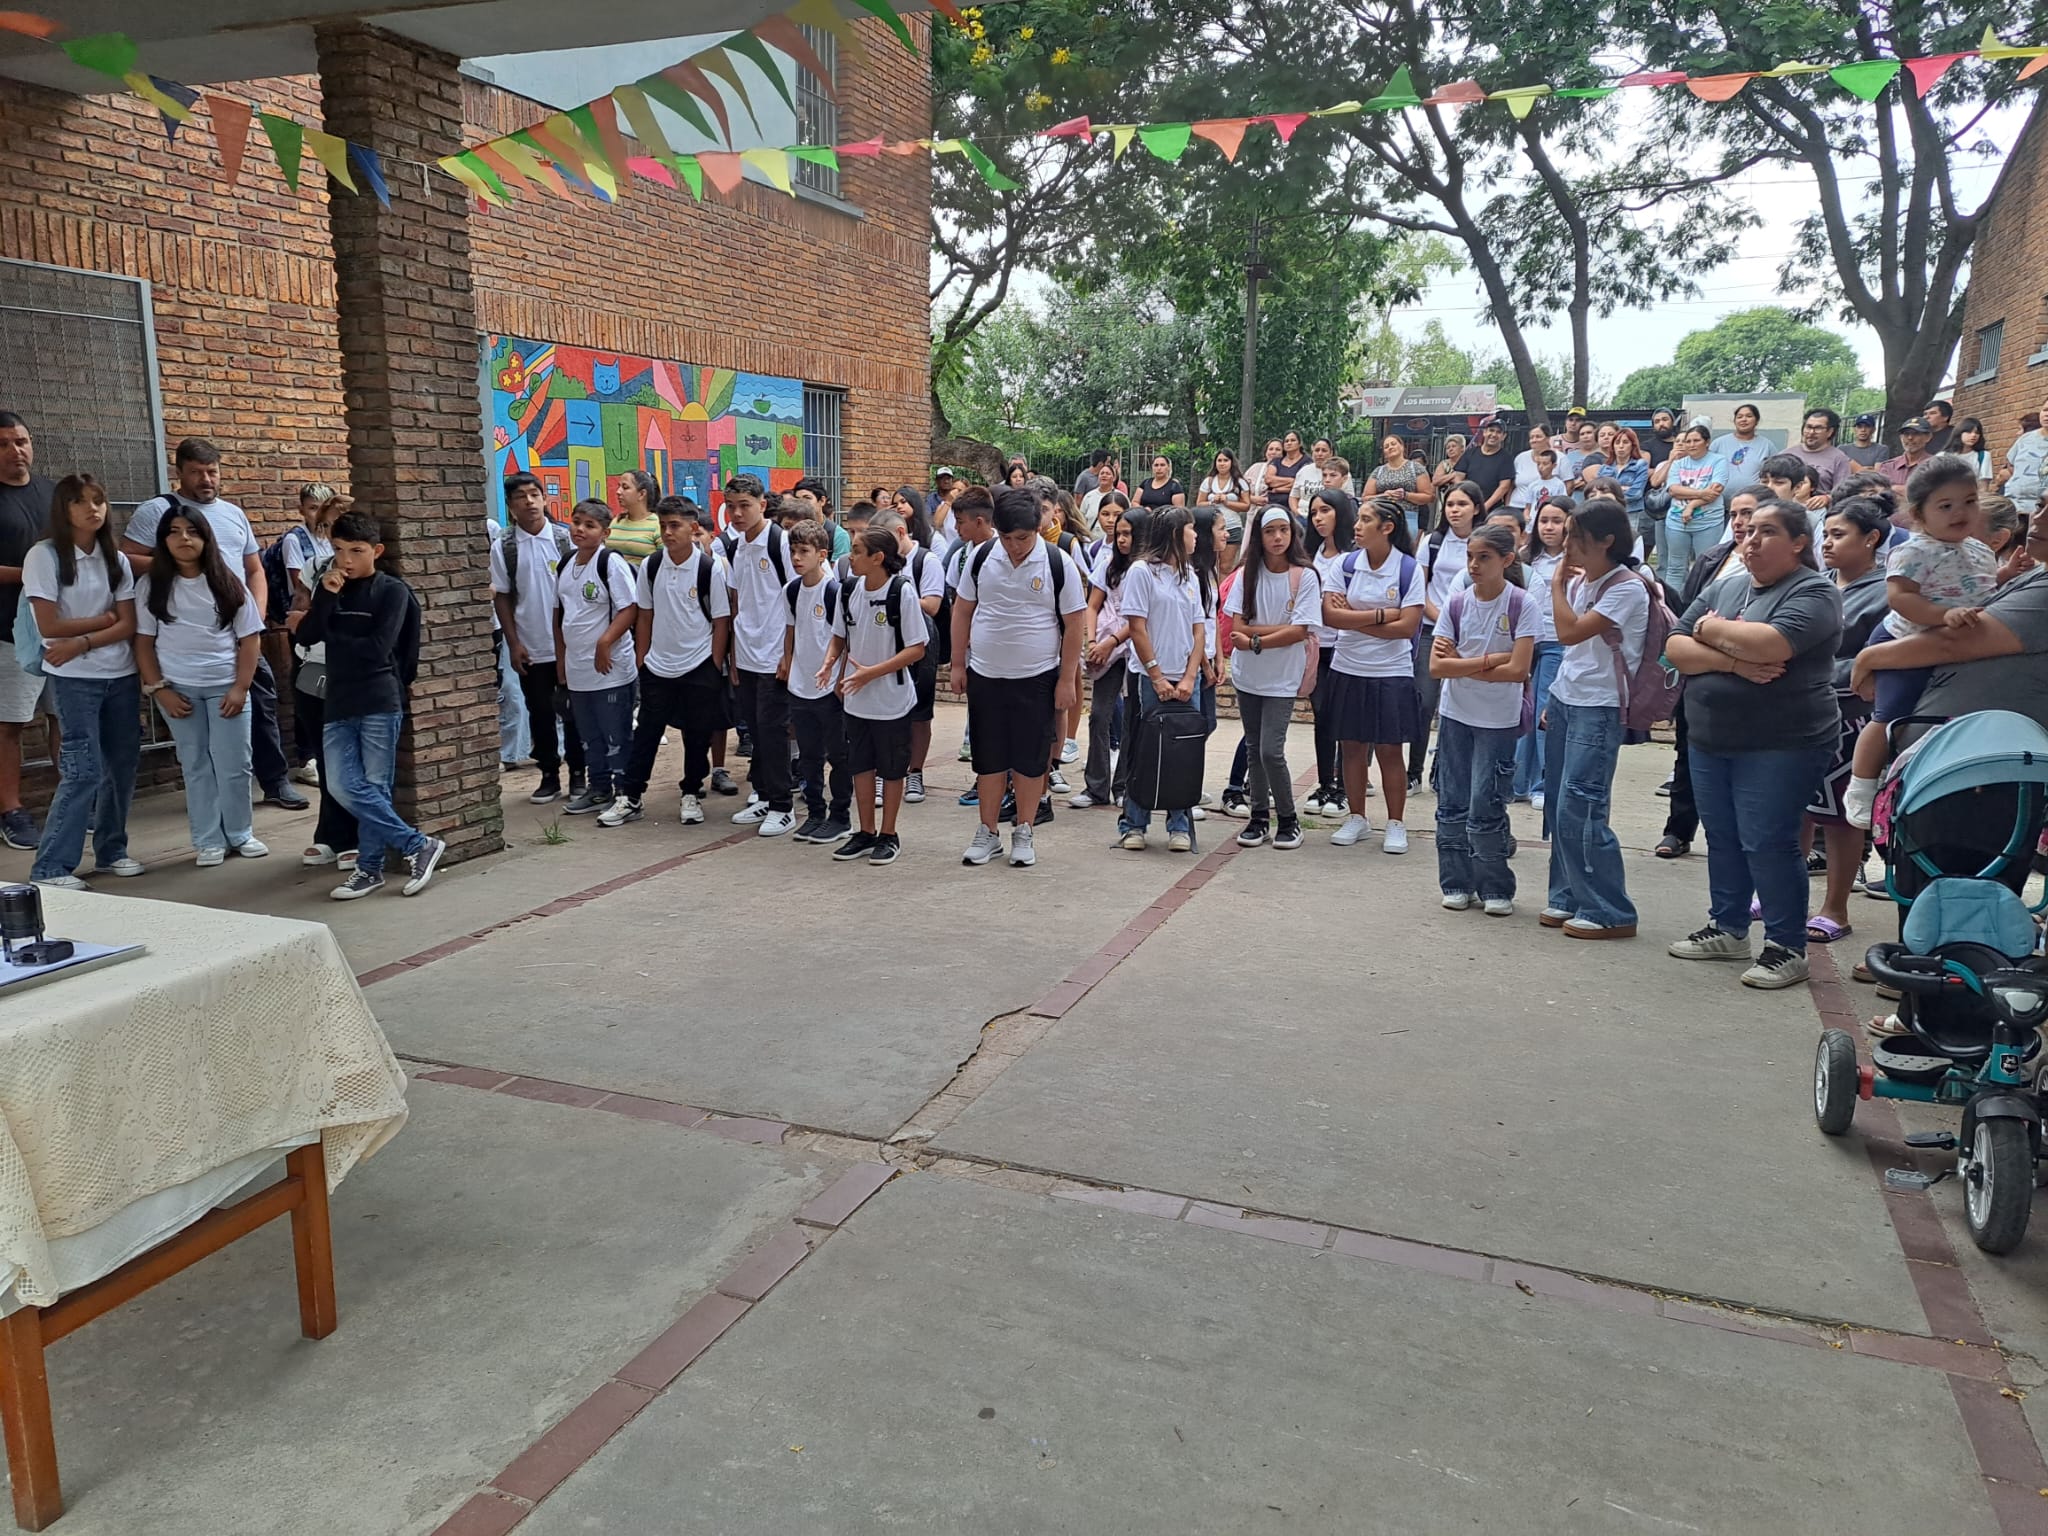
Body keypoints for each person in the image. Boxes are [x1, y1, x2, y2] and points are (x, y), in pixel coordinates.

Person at [1661, 500, 1841, 987]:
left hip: (1782, 742)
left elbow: (1771, 644)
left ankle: (1786, 946)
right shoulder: (1728, 585)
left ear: (1799, 542)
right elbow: (1673, 647)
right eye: (1748, 530)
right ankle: (1728, 927)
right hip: (1710, 738)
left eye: (1767, 531)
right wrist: (1733, 661)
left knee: (1768, 841)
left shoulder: (1814, 592)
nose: (1751, 539)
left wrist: (1708, 629)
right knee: (1722, 837)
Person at [121, 438, 306, 811]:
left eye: (212, 472)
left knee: (260, 703)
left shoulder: (233, 513)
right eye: (196, 473)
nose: (206, 480)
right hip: (186, 633)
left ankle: (273, 782)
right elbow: (126, 558)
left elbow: (254, 568)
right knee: (198, 717)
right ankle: (210, 797)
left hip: (237, 629)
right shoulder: (158, 510)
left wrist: (255, 612)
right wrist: (181, 567)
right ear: (179, 472)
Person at [291, 509, 441, 900]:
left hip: (378, 698)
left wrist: (334, 637)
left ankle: (369, 868)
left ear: (376, 551)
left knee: (375, 786)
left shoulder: (392, 591)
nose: (346, 560)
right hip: (338, 700)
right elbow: (306, 636)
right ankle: (418, 844)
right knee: (341, 784)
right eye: (339, 549)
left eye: (356, 551)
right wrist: (326, 598)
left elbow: (379, 649)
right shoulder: (331, 588)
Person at [1842, 455, 1998, 828]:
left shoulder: (1979, 548)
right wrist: (1943, 615)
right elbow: (1901, 598)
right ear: (1919, 514)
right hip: (1903, 640)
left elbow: (1983, 587)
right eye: (1945, 506)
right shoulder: (1914, 550)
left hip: (1949, 645)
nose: (1960, 512)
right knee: (1890, 715)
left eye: (1969, 501)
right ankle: (1861, 786)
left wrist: (2009, 573)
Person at [952, 485, 1084, 866]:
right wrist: (958, 664)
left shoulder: (1057, 563)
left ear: (1039, 529)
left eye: (1022, 538)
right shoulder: (982, 557)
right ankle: (988, 831)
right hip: (986, 675)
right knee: (989, 758)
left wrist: (1066, 679)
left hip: (1037, 677)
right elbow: (962, 610)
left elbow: (1075, 624)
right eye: (1007, 538)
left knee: (1029, 760)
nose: (1014, 547)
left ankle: (1024, 830)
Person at [24, 474, 141, 889]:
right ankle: (51, 867)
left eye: (98, 500)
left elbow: (127, 624)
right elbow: (49, 625)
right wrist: (103, 621)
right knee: (82, 769)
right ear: (64, 508)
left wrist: (83, 640)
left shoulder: (116, 558)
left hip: (120, 674)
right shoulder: (44, 556)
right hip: (74, 679)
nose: (92, 509)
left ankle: (112, 851)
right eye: (80, 501)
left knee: (121, 766)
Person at [1540, 498, 1650, 939]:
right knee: (1557, 803)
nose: (1567, 544)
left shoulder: (1627, 587)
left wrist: (1555, 586)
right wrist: (1555, 695)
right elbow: (1575, 652)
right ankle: (1568, 894)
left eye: (1576, 536)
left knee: (1581, 806)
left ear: (1606, 541)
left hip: (1600, 706)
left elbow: (1569, 633)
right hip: (1567, 697)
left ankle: (1610, 909)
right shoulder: (1586, 580)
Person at [134, 505, 267, 866]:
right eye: (174, 531)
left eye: (193, 531)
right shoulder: (151, 586)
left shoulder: (227, 582)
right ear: (163, 540)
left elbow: (250, 639)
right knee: (195, 764)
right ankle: (208, 840)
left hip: (226, 687)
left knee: (235, 763)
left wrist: (240, 687)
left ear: (206, 538)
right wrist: (159, 689)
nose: (184, 538)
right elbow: (143, 643)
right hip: (178, 689)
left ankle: (240, 833)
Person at [1852, 505, 2048, 731]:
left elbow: (1951, 642)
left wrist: (1868, 657)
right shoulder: (1918, 552)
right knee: (1885, 717)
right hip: (1902, 641)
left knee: (1887, 718)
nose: (2039, 517)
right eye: (2040, 505)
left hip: (1980, 746)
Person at [603, 496, 731, 830]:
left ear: (693, 528)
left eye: (675, 525)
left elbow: (721, 621)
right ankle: (631, 796)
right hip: (658, 665)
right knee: (647, 732)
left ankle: (691, 792)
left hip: (699, 664)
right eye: (663, 526)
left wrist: (714, 664)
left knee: (697, 735)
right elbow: (644, 614)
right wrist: (642, 658)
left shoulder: (709, 568)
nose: (668, 532)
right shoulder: (652, 565)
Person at [1431, 522, 1537, 915]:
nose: (1474, 565)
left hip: (1498, 719)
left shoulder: (1522, 604)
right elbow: (1437, 667)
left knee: (1487, 802)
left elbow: (1519, 670)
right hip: (1456, 714)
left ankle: (1495, 886)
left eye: (1484, 558)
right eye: (1470, 557)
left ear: (1507, 560)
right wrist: (1492, 660)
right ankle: (1456, 881)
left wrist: (1463, 663)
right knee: (1452, 801)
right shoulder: (1457, 603)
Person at [1804, 495, 1891, 942]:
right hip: (1799, 712)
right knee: (1795, 810)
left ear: (1871, 538)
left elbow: (1880, 658)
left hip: (1852, 718)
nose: (1827, 543)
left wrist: (1802, 665)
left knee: (1840, 817)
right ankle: (1784, 893)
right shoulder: (1817, 584)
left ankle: (1835, 908)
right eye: (1826, 535)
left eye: (1839, 535)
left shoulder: (1890, 591)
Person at [1652, 491, 1758, 858]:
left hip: (1751, 682)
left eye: (1748, 513)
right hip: (1699, 673)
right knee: (1688, 753)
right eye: (1735, 514)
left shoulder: (1781, 573)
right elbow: (1686, 620)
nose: (1740, 522)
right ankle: (1678, 830)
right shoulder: (1714, 558)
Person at [819, 526, 928, 866]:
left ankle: (888, 834)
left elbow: (916, 649)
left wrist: (871, 673)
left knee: (892, 770)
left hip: (891, 700)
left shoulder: (901, 592)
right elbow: (840, 636)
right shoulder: (849, 589)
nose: (849, 557)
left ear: (878, 557)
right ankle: (865, 831)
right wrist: (831, 664)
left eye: (856, 551)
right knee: (861, 766)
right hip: (856, 699)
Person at [1321, 496, 1424, 853]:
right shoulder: (1346, 564)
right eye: (1358, 519)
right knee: (1351, 747)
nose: (1357, 526)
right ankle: (1357, 818)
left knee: (1389, 750)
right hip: (1348, 666)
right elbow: (1331, 617)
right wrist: (1383, 615)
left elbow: (1407, 627)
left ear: (1387, 528)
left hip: (1391, 670)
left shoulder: (1408, 569)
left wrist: (1354, 616)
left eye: (1366, 520)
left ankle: (1395, 823)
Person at [1226, 505, 1319, 851]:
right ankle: (1259, 817)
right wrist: (1277, 631)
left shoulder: (1304, 576)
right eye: (1270, 531)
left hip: (1283, 677)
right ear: (1259, 537)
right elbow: (1236, 626)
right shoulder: (1246, 575)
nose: (1278, 537)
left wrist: (1255, 639)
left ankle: (1289, 819)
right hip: (1248, 676)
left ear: (1293, 534)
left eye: (1284, 530)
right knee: (1254, 748)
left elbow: (1300, 631)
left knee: (1270, 751)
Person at [491, 472, 585, 806]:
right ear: (510, 505)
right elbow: (503, 596)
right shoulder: (505, 546)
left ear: (544, 498)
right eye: (521, 497)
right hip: (531, 645)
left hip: (570, 645)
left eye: (535, 494)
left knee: (574, 712)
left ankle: (579, 774)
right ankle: (549, 774)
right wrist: (514, 643)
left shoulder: (565, 539)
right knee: (540, 712)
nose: (529, 502)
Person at [1117, 506, 1204, 853]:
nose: (1196, 536)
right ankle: (1134, 824)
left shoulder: (1190, 575)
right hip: (1152, 679)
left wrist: (1190, 676)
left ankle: (1179, 824)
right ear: (1175, 534)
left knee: (1183, 753)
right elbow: (1137, 628)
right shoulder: (1142, 572)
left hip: (1186, 679)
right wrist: (1156, 676)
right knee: (1146, 749)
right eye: (1191, 529)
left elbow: (1199, 630)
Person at [718, 474, 797, 836]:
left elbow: (797, 597)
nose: (737, 513)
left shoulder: (780, 542)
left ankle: (783, 806)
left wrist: (788, 654)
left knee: (773, 731)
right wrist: (734, 657)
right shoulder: (735, 547)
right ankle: (764, 795)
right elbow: (737, 604)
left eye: (744, 506)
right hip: (747, 655)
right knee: (755, 730)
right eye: (731, 506)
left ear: (762, 505)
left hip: (774, 654)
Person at [552, 500, 639, 820]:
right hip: (578, 668)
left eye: (589, 525)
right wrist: (561, 658)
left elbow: (629, 608)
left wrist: (605, 642)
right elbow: (559, 614)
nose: (580, 529)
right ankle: (598, 788)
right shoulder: (566, 563)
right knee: (589, 736)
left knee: (616, 734)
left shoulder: (610, 562)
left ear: (605, 533)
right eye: (576, 522)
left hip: (610, 668)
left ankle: (626, 795)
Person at [0, 411, 55, 851]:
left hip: (61, 629)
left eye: (21, 441)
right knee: (10, 724)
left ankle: (75, 799)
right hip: (9, 631)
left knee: (65, 717)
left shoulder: (52, 492)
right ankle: (11, 811)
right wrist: (32, 575)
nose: (15, 451)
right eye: (2, 444)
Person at [874, 508, 946, 804]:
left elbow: (932, 605)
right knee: (884, 710)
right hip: (885, 640)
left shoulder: (925, 560)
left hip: (920, 642)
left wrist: (896, 597)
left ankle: (914, 772)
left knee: (920, 712)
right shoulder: (880, 562)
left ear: (901, 533)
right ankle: (884, 773)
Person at [1415, 482, 1482, 792]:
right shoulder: (1433, 541)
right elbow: (1420, 587)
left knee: (1454, 707)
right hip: (1432, 629)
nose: (1455, 510)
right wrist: (1442, 618)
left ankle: (1442, 771)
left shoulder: (1483, 541)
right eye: (1451, 504)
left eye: (1462, 504)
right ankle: (1413, 770)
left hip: (1470, 634)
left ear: (1476, 508)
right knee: (1424, 702)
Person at [1301, 488, 1358, 819]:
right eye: (1313, 513)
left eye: (1325, 511)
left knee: (1343, 718)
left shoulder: (1354, 556)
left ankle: (1343, 789)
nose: (1319, 518)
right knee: (1322, 714)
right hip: (1316, 647)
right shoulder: (1310, 554)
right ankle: (1325, 784)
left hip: (1345, 646)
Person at [1513, 499, 1570, 814]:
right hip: (1526, 641)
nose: (1549, 527)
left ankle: (1542, 784)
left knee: (1544, 714)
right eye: (1543, 520)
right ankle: (1518, 782)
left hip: (1556, 640)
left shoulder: (1574, 558)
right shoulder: (1525, 557)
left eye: (1556, 521)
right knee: (1524, 708)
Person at [1652, 424, 1728, 589]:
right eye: (1688, 441)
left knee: (1705, 567)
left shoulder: (1718, 461)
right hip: (1676, 522)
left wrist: (1691, 505)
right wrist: (1701, 493)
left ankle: (1701, 603)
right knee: (1675, 567)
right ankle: (1672, 603)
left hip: (1708, 523)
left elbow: (1715, 490)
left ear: (1707, 442)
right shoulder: (1678, 464)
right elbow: (1673, 490)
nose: (1691, 445)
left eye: (1696, 440)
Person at [1364, 434, 1434, 538]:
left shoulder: (1416, 468)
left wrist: (1405, 495)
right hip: (1381, 517)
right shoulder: (1378, 471)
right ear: (1384, 453)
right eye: (1386, 446)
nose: (1390, 447)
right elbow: (1366, 498)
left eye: (1393, 444)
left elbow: (1429, 496)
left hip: (1407, 517)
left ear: (1402, 447)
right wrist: (1383, 496)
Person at [1452, 416, 1517, 514]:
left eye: (1498, 432)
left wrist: (1484, 507)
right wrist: (1465, 499)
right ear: (1485, 432)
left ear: (1504, 436)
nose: (1494, 434)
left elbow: (1504, 486)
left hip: (1491, 510)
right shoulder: (1470, 453)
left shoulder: (1506, 458)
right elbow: (1458, 478)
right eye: (1491, 430)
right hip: (1467, 507)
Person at [1785, 408, 1855, 495]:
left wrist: (1827, 498)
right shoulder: (1786, 455)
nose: (1811, 432)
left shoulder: (1839, 459)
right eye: (1808, 427)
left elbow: (1842, 493)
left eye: (1818, 428)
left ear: (1830, 432)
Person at [1710, 403, 1773, 499]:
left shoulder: (1767, 445)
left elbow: (1774, 473)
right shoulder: (1718, 444)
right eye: (1739, 417)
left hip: (1753, 502)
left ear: (1757, 421)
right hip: (1718, 503)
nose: (1744, 419)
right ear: (1734, 421)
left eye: (1749, 416)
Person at [792, 476, 852, 561]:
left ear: (822, 501)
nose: (802, 503)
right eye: (797, 500)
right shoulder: (791, 530)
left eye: (807, 498)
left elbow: (838, 568)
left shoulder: (838, 535)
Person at [608, 472, 662, 564]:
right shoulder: (616, 521)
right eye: (619, 486)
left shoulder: (658, 525)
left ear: (641, 494)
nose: (618, 492)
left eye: (625, 487)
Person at [1999, 410, 2046, 514]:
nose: (2046, 414)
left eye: (2020, 429)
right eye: (2045, 410)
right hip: (2014, 504)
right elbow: (2010, 463)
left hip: (2039, 508)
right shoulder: (2025, 439)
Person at [1194, 450, 1251, 528]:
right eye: (1219, 460)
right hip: (1211, 527)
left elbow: (1246, 506)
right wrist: (1212, 502)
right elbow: (1199, 504)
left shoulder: (1240, 482)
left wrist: (1227, 503)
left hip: (1233, 526)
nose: (1222, 463)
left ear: (1232, 462)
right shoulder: (1208, 481)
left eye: (1226, 460)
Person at [1265, 431, 1311, 509]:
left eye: (1293, 440)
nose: (1289, 443)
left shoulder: (1307, 462)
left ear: (1300, 443)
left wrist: (1279, 489)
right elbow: (1269, 480)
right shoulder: (1276, 461)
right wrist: (1292, 481)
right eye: (1286, 441)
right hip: (1273, 505)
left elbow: (1303, 485)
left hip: (1297, 506)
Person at [1954, 418, 1994, 488]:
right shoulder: (1944, 456)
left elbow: (1983, 486)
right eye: (1969, 432)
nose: (1973, 435)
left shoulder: (1983, 455)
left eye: (1977, 433)